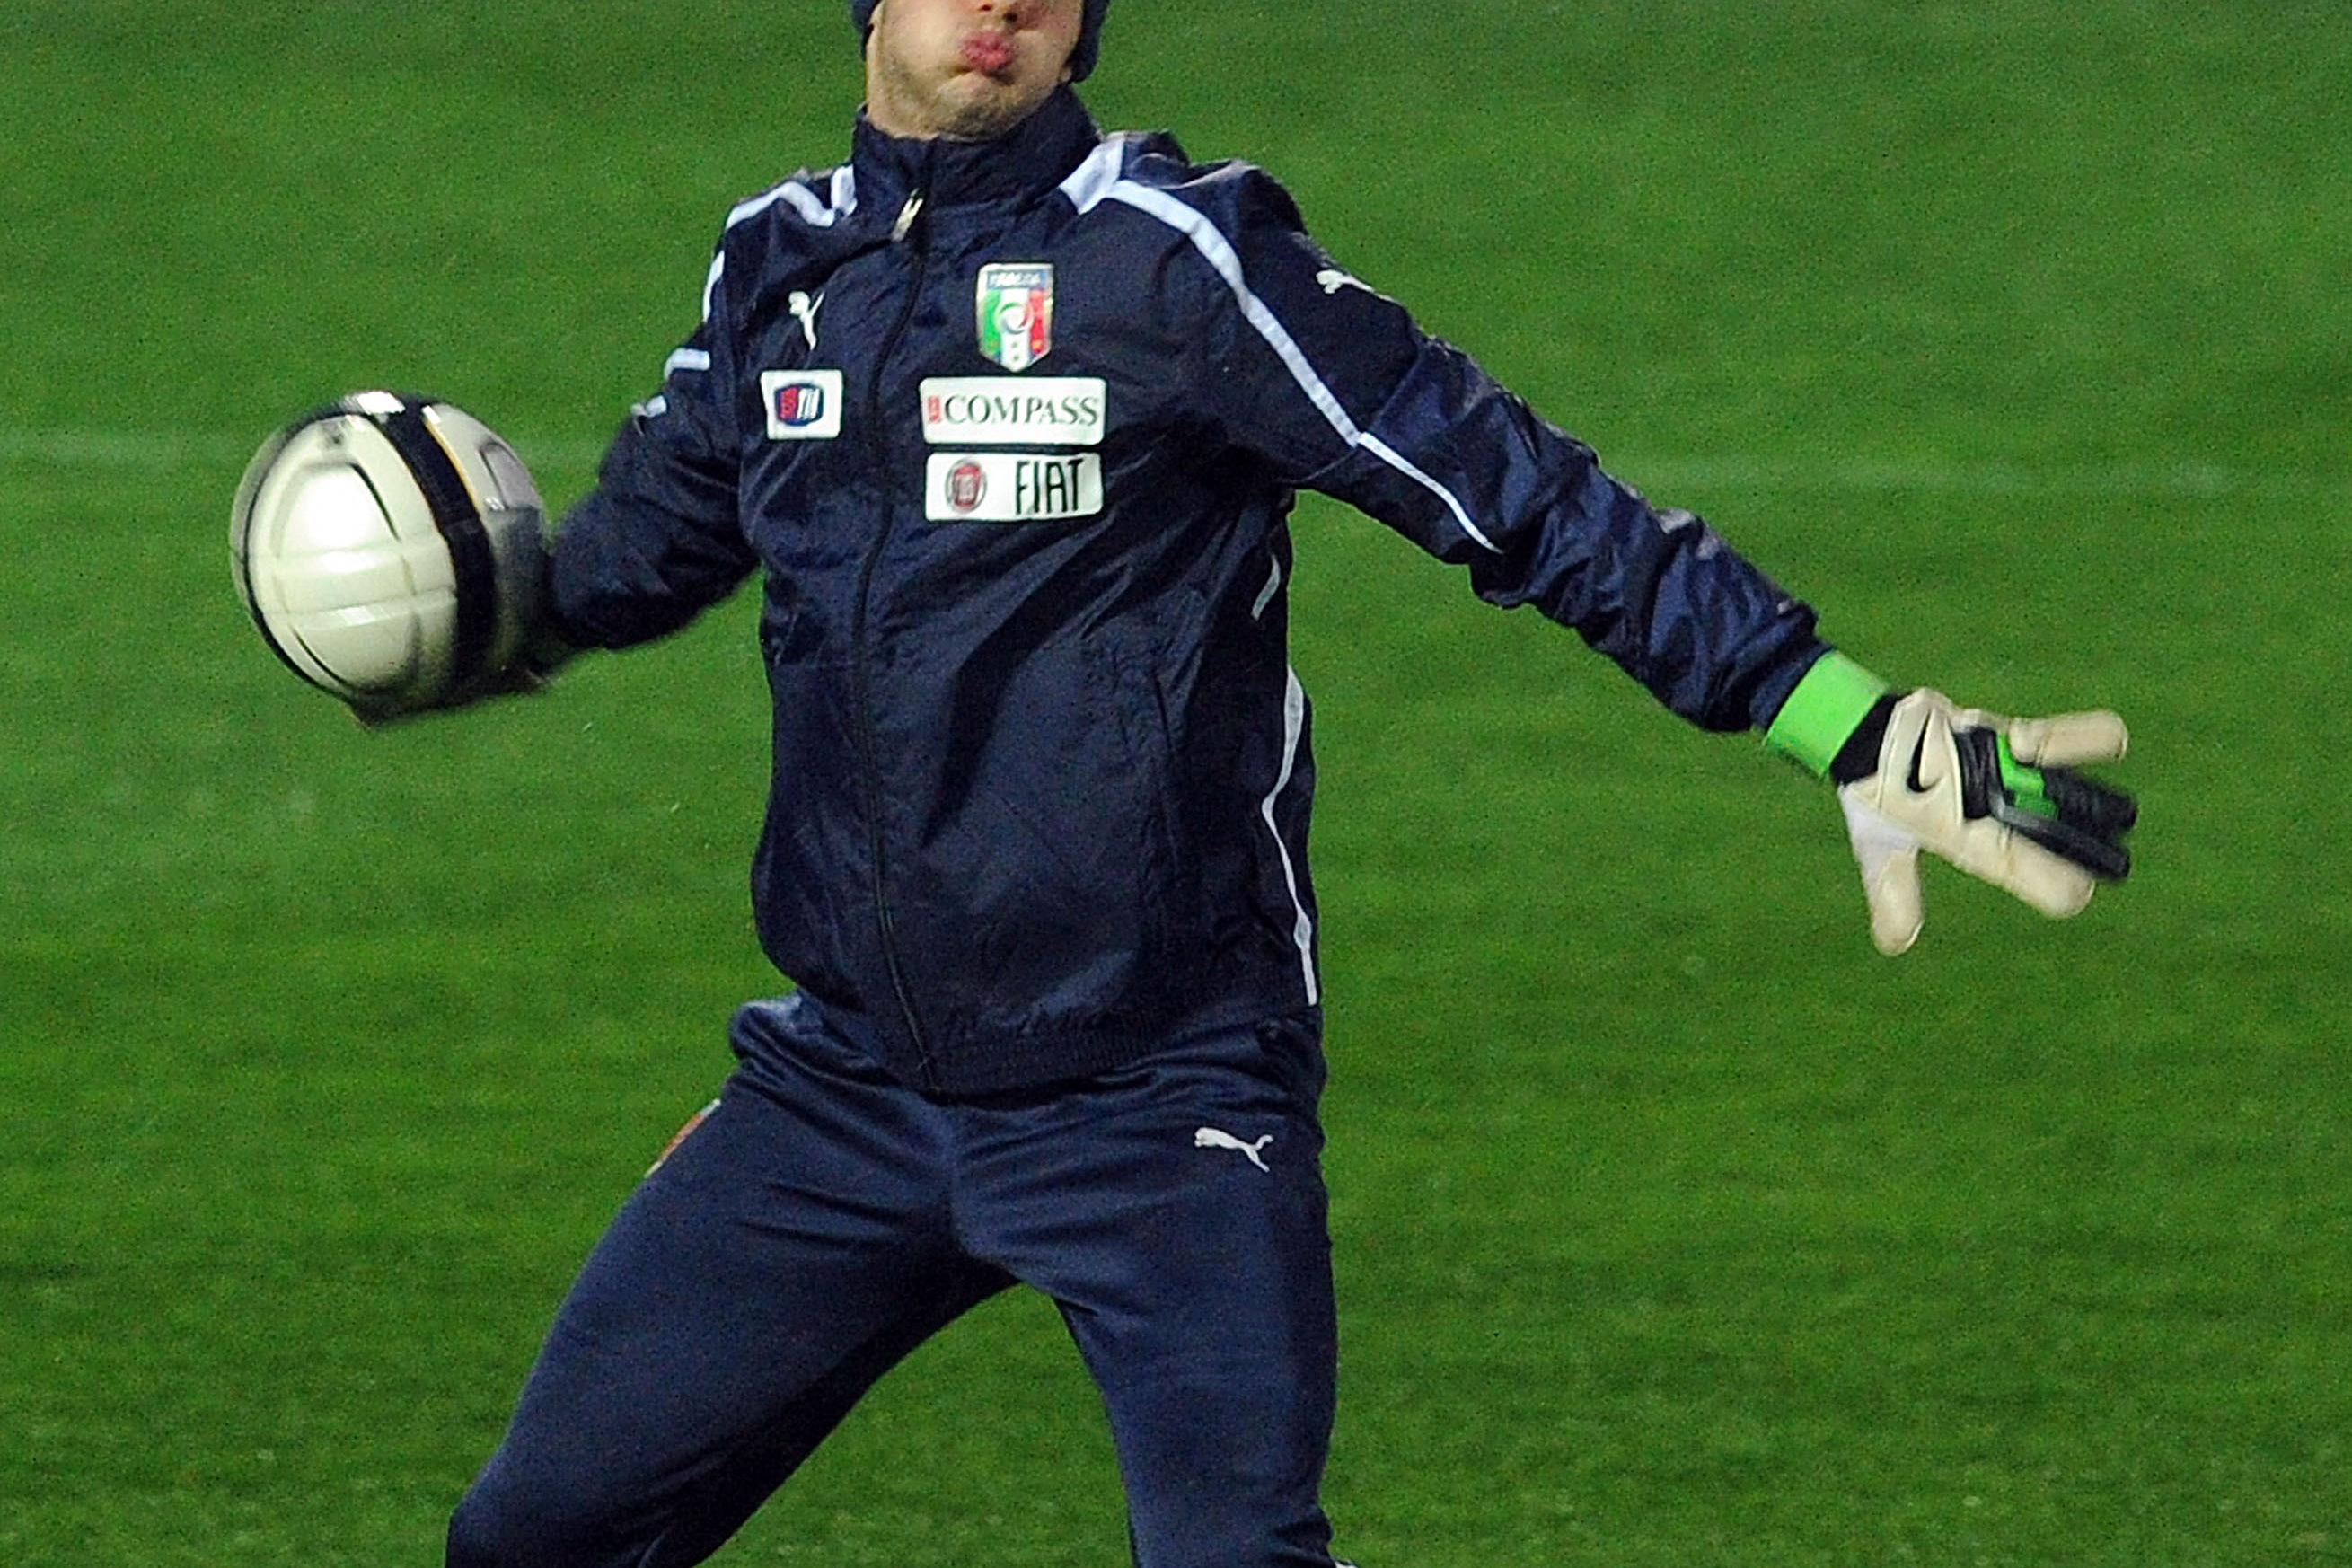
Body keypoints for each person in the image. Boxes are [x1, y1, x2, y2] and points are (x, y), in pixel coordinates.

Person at [443, 1, 2136, 1564]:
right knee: (528, 1540)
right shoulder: (778, 266)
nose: (1009, 1)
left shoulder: (1172, 261)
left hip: (1159, 1095)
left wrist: (1834, 712)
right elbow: (647, 542)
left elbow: (1516, 490)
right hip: (850, 1092)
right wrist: (454, 604)